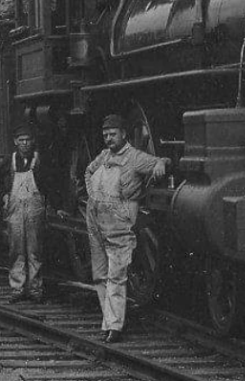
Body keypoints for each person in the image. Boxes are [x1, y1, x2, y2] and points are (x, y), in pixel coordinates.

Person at [85, 114, 169, 343]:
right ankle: (108, 319)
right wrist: (93, 195)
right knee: (100, 274)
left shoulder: (135, 158)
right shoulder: (103, 156)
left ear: (123, 134)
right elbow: (89, 171)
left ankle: (114, 326)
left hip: (118, 221)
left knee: (116, 274)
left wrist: (161, 163)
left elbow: (159, 162)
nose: (109, 139)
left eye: (113, 134)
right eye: (105, 135)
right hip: (95, 218)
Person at [0, 123, 49, 303]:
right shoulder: (8, 161)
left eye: (27, 140)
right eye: (21, 140)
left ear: (32, 141)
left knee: (34, 251)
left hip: (34, 210)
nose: (25, 143)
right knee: (16, 250)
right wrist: (4, 194)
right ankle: (18, 288)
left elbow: (50, 183)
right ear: (15, 142)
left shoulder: (39, 160)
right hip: (15, 210)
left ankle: (35, 289)